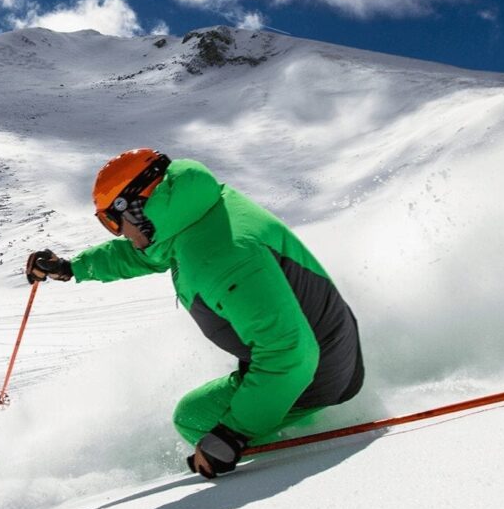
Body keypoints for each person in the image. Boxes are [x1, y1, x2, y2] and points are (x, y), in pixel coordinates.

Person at [26, 149, 364, 479]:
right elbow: (147, 255)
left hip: (315, 375)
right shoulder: (194, 214)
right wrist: (72, 268)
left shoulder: (225, 258)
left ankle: (295, 452)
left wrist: (232, 435)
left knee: (194, 420)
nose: (120, 233)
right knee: (203, 408)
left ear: (136, 210)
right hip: (327, 343)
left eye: (113, 221)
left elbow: (290, 353)